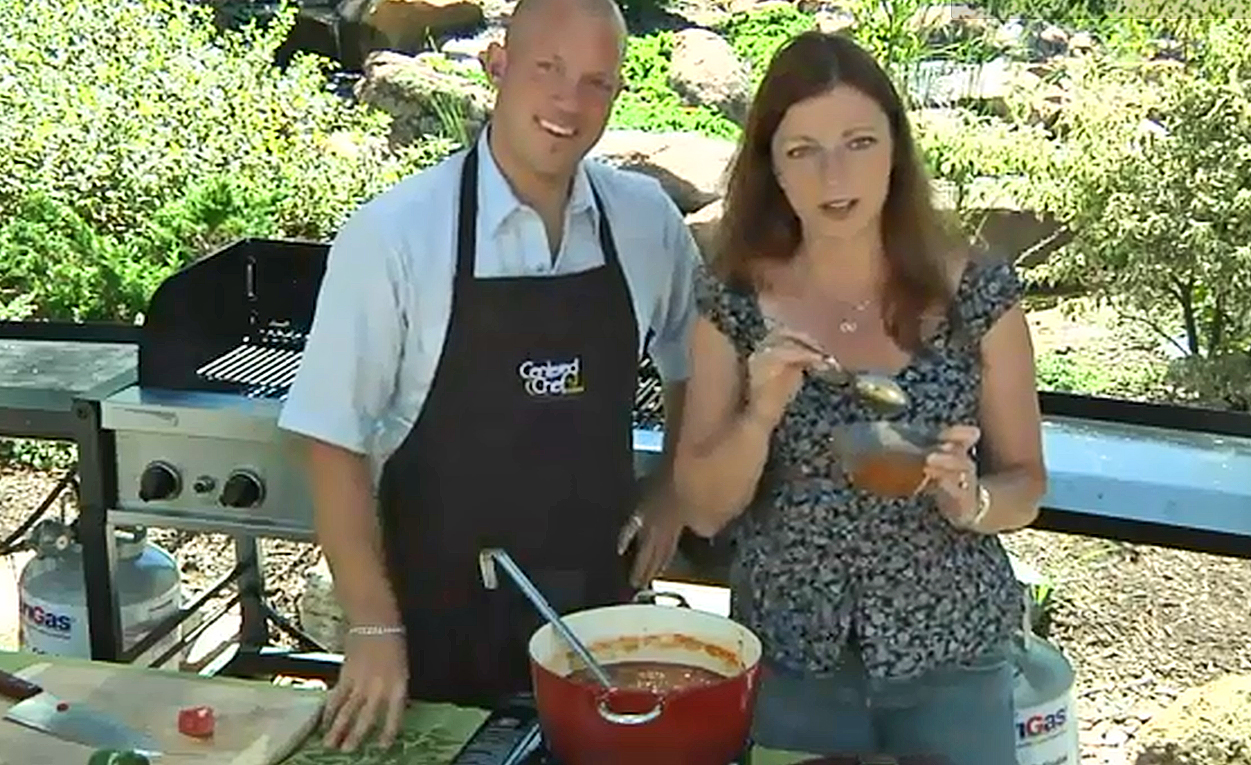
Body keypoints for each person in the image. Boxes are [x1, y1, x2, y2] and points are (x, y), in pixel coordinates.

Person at [276, 0, 700, 751]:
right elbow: (329, 437)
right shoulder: (396, 234)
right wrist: (372, 624)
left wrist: (673, 484)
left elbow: (695, 363)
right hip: (438, 633)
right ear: (497, 65)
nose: (569, 101)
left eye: (596, 82)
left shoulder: (645, 222)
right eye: (548, 69)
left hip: (596, 633)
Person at [672, 31, 1047, 765]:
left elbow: (1026, 483)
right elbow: (702, 506)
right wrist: (759, 413)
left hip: (954, 657)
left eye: (857, 141)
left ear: (895, 153)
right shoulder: (731, 301)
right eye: (802, 149)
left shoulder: (977, 294)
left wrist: (969, 499)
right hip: (791, 665)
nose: (832, 173)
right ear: (771, 168)